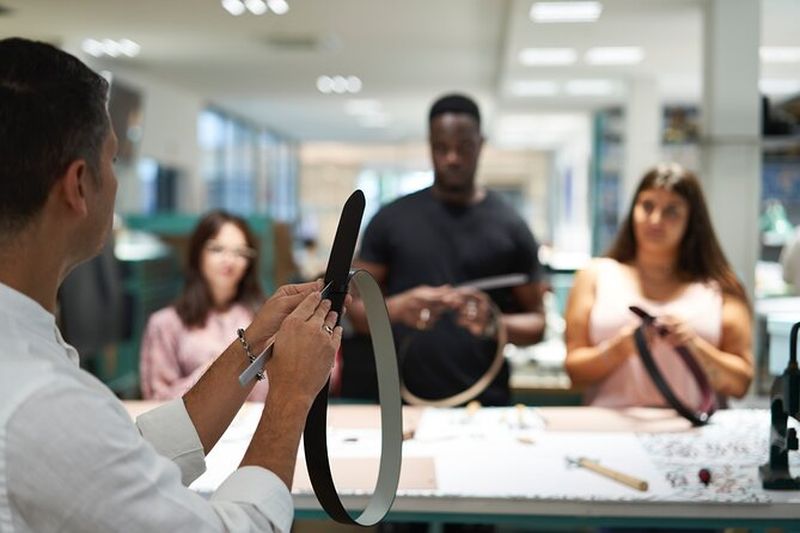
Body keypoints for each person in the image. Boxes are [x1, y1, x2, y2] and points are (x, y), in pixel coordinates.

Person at [0, 37, 342, 532]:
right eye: (112, 161)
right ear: (78, 185)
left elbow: (124, 459)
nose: (115, 183)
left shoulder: (27, 358)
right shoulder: (41, 402)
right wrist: (290, 396)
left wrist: (255, 343)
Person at [348, 93, 546, 406]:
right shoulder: (391, 219)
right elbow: (354, 313)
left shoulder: (511, 225)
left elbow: (537, 325)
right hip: (399, 403)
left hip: (485, 404)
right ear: (430, 145)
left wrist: (494, 323)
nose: (452, 158)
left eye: (463, 147)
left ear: (480, 144)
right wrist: (400, 308)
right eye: (441, 147)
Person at [564, 163, 753, 407]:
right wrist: (620, 349)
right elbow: (574, 374)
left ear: (692, 221)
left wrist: (694, 347)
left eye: (671, 211)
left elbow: (741, 385)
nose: (655, 220)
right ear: (633, 209)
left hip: (693, 436)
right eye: (647, 206)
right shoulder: (595, 276)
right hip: (610, 434)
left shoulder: (722, 287)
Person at [140, 210, 268, 401]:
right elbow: (157, 400)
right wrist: (212, 371)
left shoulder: (265, 320)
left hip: (259, 428)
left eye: (240, 252)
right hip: (191, 431)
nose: (229, 260)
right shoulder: (165, 324)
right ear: (197, 254)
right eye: (217, 249)